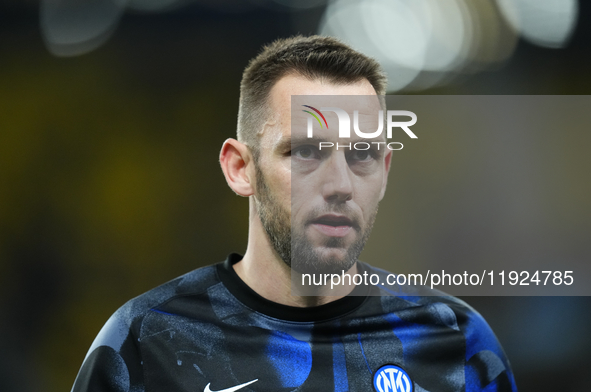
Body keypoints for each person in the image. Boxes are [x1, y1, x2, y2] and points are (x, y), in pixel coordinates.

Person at [71, 35, 517, 392]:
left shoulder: (455, 341)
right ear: (241, 168)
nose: (340, 185)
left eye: (362, 154)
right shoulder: (147, 341)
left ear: (383, 172)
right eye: (305, 152)